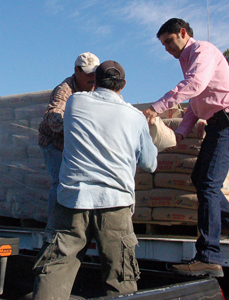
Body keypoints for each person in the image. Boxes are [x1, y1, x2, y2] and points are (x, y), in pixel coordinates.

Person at [33, 61, 158, 300]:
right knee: (120, 276)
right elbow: (150, 164)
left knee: (55, 269)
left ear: (95, 81)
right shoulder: (134, 117)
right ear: (124, 85)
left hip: (72, 200)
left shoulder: (75, 102)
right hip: (115, 202)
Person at [143, 18, 229, 278]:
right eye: (163, 45)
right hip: (218, 125)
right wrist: (179, 134)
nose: (167, 48)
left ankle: (209, 257)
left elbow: (194, 87)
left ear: (183, 33)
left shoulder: (203, 51)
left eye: (169, 41)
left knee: (209, 185)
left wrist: (157, 107)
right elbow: (196, 103)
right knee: (199, 178)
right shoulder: (188, 61)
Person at [38, 52, 100, 217]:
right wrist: (77, 128)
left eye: (95, 72)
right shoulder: (64, 89)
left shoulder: (98, 88)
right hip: (53, 142)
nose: (92, 77)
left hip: (74, 145)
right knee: (61, 181)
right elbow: (54, 115)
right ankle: (54, 226)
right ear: (77, 71)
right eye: (88, 73)